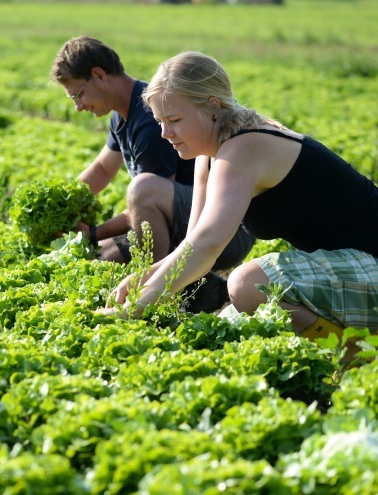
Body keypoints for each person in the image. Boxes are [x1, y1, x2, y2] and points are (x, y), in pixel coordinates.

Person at [100, 51, 378, 341]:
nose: (164, 133)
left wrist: (141, 306)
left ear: (213, 107)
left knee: (248, 284)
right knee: (226, 328)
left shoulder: (243, 148)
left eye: (174, 120)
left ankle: (354, 351)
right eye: (159, 121)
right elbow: (195, 246)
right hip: (357, 270)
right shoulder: (209, 153)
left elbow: (207, 247)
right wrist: (142, 279)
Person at [50, 38, 255, 313]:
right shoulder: (120, 115)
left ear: (99, 75)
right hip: (186, 226)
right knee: (103, 256)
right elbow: (101, 169)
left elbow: (146, 199)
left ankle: (155, 299)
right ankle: (205, 290)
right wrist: (61, 205)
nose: (78, 106)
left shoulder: (151, 118)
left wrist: (92, 232)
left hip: (222, 230)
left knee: (141, 191)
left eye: (78, 95)